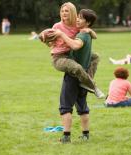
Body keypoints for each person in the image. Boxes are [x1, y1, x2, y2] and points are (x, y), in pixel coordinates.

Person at [39, 2, 104, 98]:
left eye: (67, 11)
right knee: (77, 68)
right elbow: (48, 42)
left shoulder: (76, 25)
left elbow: (95, 37)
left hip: (72, 54)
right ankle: (93, 87)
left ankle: (86, 81)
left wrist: (90, 30)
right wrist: (44, 39)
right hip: (59, 58)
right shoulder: (57, 26)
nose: (64, 13)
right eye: (62, 11)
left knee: (95, 57)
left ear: (72, 13)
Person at [57, 9, 98, 143]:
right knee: (82, 107)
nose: (78, 19)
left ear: (88, 22)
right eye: (78, 17)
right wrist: (90, 30)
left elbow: (75, 45)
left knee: (65, 107)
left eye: (81, 18)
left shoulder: (82, 36)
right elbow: (93, 35)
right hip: (83, 75)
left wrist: (61, 34)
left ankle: (66, 137)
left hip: (74, 75)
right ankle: (85, 135)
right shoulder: (87, 33)